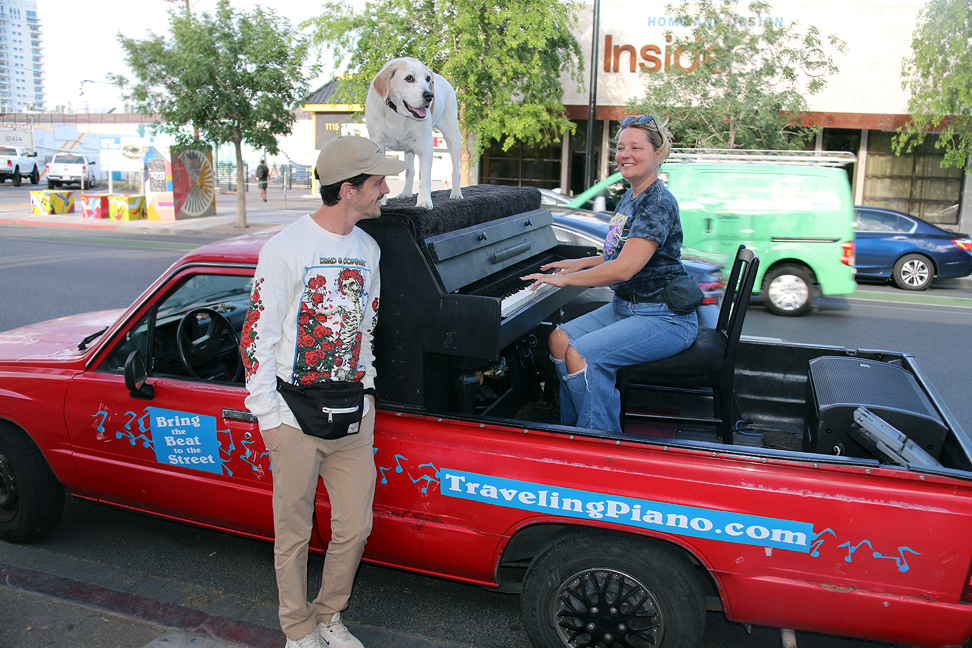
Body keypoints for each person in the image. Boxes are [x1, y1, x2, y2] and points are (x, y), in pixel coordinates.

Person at [241, 136, 407, 648]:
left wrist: (369, 393)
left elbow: (365, 330)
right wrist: (268, 417)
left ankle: (329, 614)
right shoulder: (285, 248)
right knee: (292, 534)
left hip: (353, 410)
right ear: (348, 189)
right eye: (378, 181)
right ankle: (298, 629)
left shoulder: (368, 249)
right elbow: (257, 338)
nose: (386, 189)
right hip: (292, 416)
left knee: (355, 528)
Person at [521, 115, 698, 434]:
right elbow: (621, 253)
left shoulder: (657, 203)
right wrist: (581, 263)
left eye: (636, 147)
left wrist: (564, 280)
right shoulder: (632, 195)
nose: (625, 154)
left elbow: (624, 268)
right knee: (558, 339)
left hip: (665, 318)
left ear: (658, 153)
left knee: (583, 356)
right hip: (626, 308)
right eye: (621, 147)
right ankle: (576, 428)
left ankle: (600, 441)